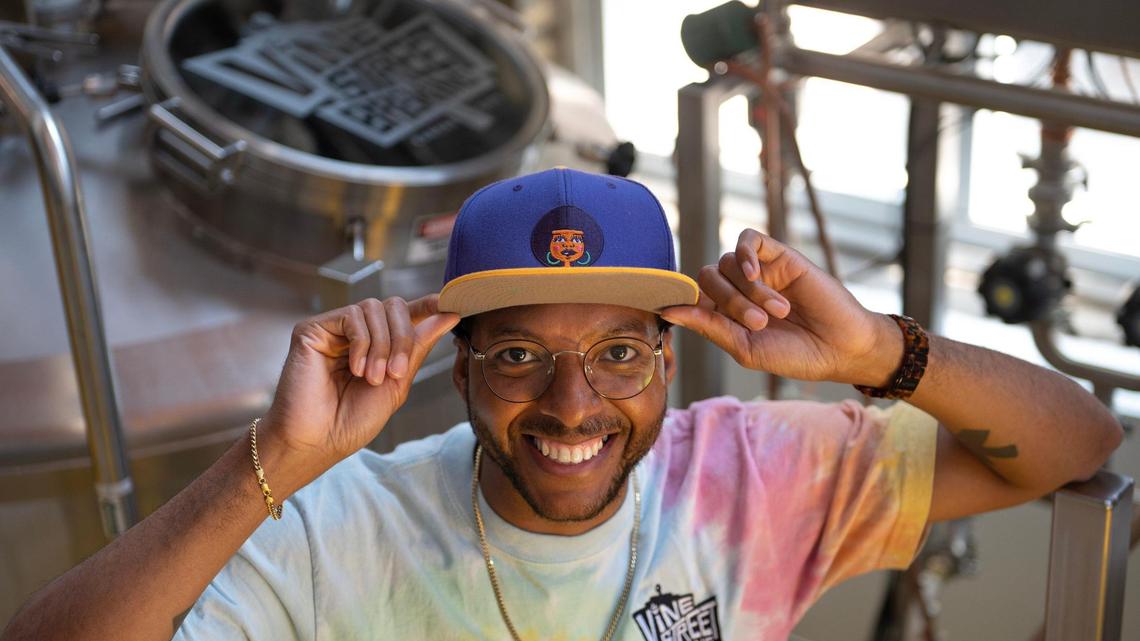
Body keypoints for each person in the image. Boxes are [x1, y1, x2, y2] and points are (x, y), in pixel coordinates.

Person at [1, 168, 1122, 641]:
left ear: (671, 361)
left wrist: (881, 348)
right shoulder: (341, 527)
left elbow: (1081, 440)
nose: (574, 402)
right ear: (463, 362)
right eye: (523, 353)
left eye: (622, 352)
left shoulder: (755, 475)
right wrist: (274, 459)